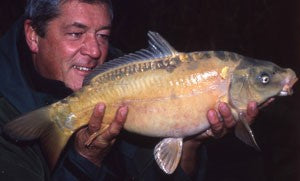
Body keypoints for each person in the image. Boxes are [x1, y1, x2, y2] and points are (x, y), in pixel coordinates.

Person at [0, 0, 259, 180]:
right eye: (76, 34)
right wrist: (85, 160)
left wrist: (190, 142)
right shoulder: (6, 109)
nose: (94, 51)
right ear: (33, 36)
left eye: (102, 35)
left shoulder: (129, 80)